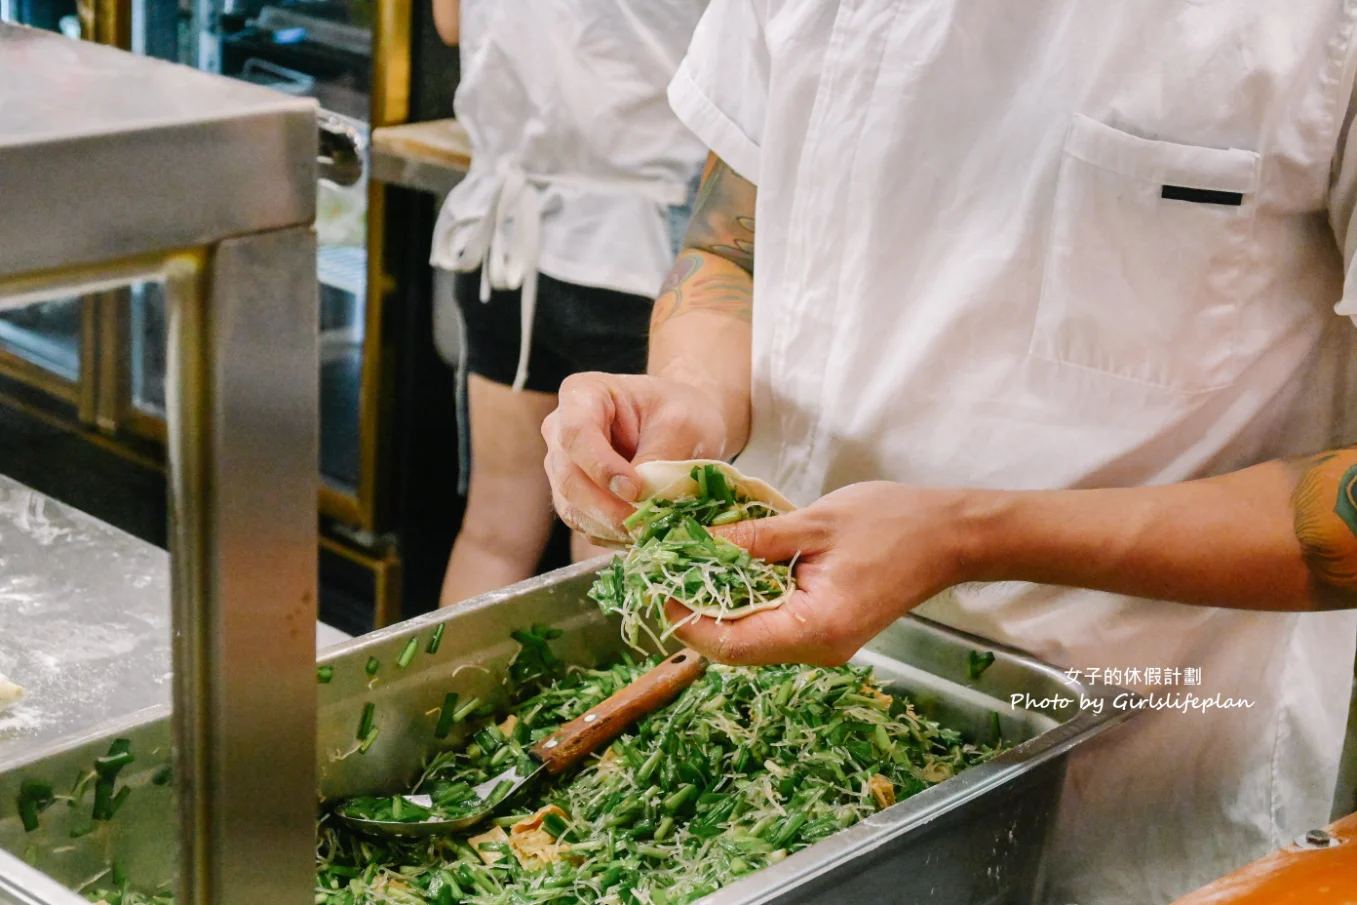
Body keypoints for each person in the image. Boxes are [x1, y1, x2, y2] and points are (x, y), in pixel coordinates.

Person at [541, 3, 1357, 903]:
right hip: (775, 745)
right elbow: (727, 246)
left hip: (1138, 774)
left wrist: (967, 535)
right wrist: (691, 402)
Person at [429, 0, 707, 606]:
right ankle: (597, 706)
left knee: (493, 535)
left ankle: (442, 700)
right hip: (640, 255)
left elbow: (451, 23)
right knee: (610, 554)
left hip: (509, 244)